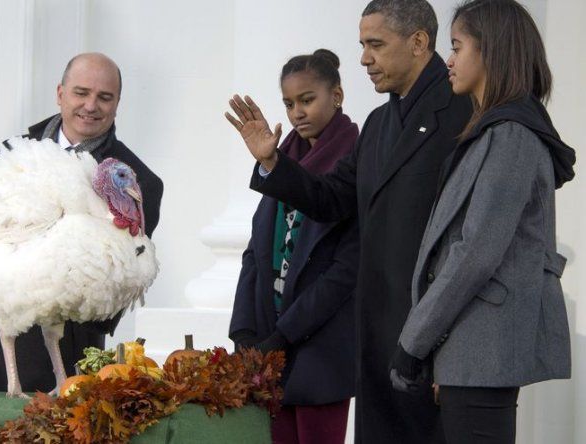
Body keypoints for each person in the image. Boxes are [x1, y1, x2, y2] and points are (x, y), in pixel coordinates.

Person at [227, 0, 473, 442]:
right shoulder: (379, 123)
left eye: (375, 44)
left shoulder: (463, 114)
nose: (363, 59)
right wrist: (272, 162)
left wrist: (448, 351)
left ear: (418, 42)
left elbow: (467, 241)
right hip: (379, 338)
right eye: (362, 45)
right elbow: (330, 199)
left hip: (433, 338)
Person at [390, 1, 575, 442]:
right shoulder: (497, 131)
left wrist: (414, 342)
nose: (448, 60)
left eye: (457, 47)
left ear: (490, 50)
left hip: (483, 351)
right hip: (470, 351)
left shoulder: (511, 136)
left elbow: (475, 252)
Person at [0, 52, 164, 392]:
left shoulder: (135, 180)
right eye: (81, 93)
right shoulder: (10, 154)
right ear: (60, 94)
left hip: (69, 349)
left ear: (117, 104)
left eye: (104, 97)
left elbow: (124, 276)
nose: (91, 106)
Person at [228, 49, 359, 444]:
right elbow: (256, 250)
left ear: (337, 96)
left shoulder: (355, 158)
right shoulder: (282, 156)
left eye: (307, 100)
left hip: (320, 351)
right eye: (289, 104)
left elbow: (345, 270)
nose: (297, 113)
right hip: (271, 348)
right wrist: (244, 331)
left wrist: (284, 335)